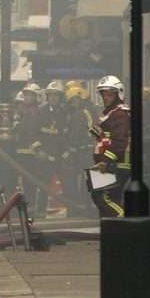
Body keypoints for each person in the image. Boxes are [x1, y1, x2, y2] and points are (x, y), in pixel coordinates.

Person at [90, 75, 130, 217]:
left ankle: (125, 223)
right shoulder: (113, 113)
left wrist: (105, 161)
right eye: (103, 95)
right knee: (112, 197)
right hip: (111, 163)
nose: (105, 98)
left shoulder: (119, 114)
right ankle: (116, 233)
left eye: (109, 95)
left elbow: (119, 141)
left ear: (119, 94)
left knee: (102, 196)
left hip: (116, 163)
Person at [29, 81, 69, 217]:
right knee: (44, 185)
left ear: (61, 97)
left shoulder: (64, 113)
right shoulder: (41, 113)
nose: (53, 97)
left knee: (68, 183)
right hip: (45, 157)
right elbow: (32, 133)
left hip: (60, 156)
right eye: (50, 95)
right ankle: (40, 212)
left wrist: (66, 152)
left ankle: (73, 210)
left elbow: (66, 134)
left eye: (56, 95)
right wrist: (39, 149)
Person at [60, 85, 96, 214]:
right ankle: (90, 207)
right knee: (91, 180)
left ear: (81, 99)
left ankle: (79, 208)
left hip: (83, 153)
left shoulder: (79, 114)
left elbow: (74, 137)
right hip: (92, 151)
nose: (72, 104)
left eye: (74, 101)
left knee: (80, 180)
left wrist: (68, 152)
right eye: (70, 102)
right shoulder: (92, 111)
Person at [12, 82, 42, 214]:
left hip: (36, 153)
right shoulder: (20, 112)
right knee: (21, 182)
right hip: (22, 152)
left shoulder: (41, 111)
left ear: (36, 96)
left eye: (30, 95)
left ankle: (31, 208)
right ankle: (22, 207)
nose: (27, 97)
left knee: (33, 182)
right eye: (26, 94)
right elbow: (18, 128)